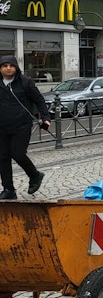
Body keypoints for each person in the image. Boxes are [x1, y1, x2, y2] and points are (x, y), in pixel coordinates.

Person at [0, 55, 51, 199]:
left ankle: (35, 175)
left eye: (11, 65)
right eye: (4, 66)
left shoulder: (25, 82)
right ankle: (9, 190)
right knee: (2, 157)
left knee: (17, 153)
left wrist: (45, 117)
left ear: (16, 67)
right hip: (2, 127)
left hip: (21, 126)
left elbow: (39, 100)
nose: (8, 68)